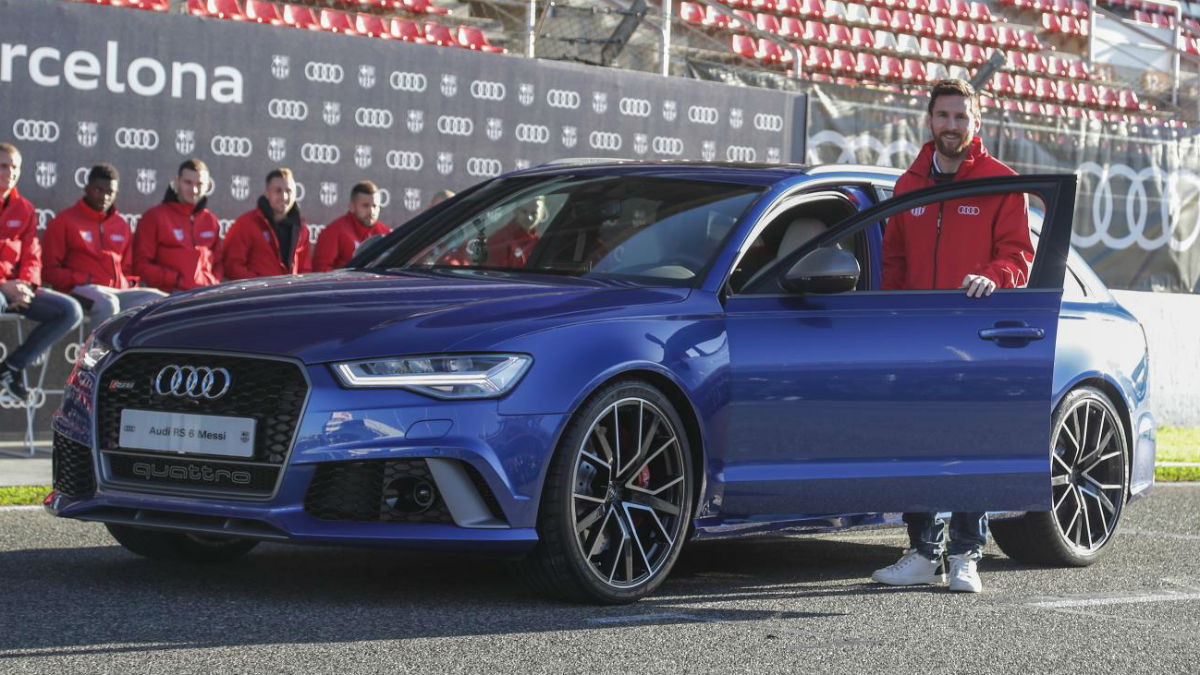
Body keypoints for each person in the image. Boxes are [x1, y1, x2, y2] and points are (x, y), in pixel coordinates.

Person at [871, 79, 1034, 594]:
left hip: (975, 330)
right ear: (929, 120)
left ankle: (966, 554)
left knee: (970, 441)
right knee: (916, 440)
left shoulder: (1000, 181)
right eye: (944, 116)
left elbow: (1019, 256)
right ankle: (923, 551)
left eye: (962, 117)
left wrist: (994, 276)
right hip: (917, 334)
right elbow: (893, 261)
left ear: (976, 123)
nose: (952, 126)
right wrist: (889, 317)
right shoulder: (909, 183)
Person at [0, 142, 83, 404]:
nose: (10, 172)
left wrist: (25, 285)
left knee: (70, 311)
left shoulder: (24, 208)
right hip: (2, 289)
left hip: (18, 290)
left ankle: (11, 367)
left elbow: (32, 255)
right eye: (3, 166)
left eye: (15, 167)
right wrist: (4, 285)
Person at [42, 164, 165, 325]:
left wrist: (129, 284)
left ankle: (146, 350)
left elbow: (127, 270)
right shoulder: (64, 221)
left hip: (117, 291)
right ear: (87, 188)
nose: (104, 197)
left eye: (110, 192)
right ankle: (101, 351)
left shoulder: (121, 225)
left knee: (160, 300)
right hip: (79, 290)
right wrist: (84, 279)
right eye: (98, 190)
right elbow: (49, 271)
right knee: (107, 303)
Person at [133, 158, 223, 293]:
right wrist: (175, 279)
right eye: (188, 182)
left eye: (199, 184)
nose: (194, 189)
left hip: (205, 295)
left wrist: (212, 281)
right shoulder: (154, 216)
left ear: (208, 186)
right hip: (168, 296)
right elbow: (141, 264)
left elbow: (218, 263)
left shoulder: (211, 220)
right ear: (176, 181)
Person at [221, 168, 312, 279]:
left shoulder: (301, 229)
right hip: (258, 296)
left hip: (289, 295)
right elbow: (232, 265)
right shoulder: (247, 223)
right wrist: (258, 286)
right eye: (278, 191)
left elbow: (304, 269)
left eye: (289, 191)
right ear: (267, 193)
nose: (284, 196)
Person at [312, 181, 389, 272]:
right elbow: (321, 271)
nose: (372, 212)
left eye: (375, 206)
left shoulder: (385, 233)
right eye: (365, 206)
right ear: (352, 207)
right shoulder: (334, 231)